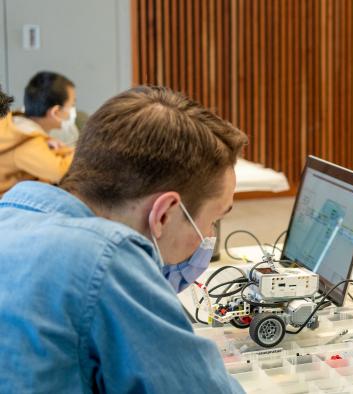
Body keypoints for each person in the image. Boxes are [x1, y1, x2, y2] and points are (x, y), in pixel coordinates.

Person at [0, 86, 246, 393]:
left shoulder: (14, 211)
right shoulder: (106, 257)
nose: (208, 237)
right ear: (164, 215)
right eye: (212, 221)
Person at [0, 83, 73, 194]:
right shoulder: (24, 141)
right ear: (55, 111)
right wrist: (80, 151)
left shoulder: (13, 127)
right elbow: (60, 172)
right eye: (71, 105)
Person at [17, 70, 80, 146]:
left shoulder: (16, 123)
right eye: (72, 105)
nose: (73, 110)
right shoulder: (29, 145)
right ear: (56, 112)